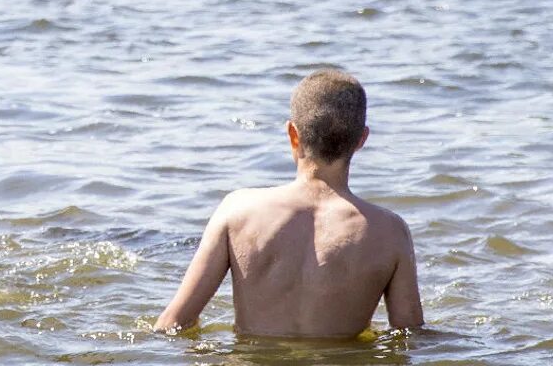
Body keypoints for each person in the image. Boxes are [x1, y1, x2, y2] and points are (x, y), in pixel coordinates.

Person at [154, 68, 424, 338]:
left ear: (293, 134)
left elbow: (174, 323)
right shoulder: (388, 231)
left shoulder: (237, 210)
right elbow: (410, 333)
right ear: (361, 139)